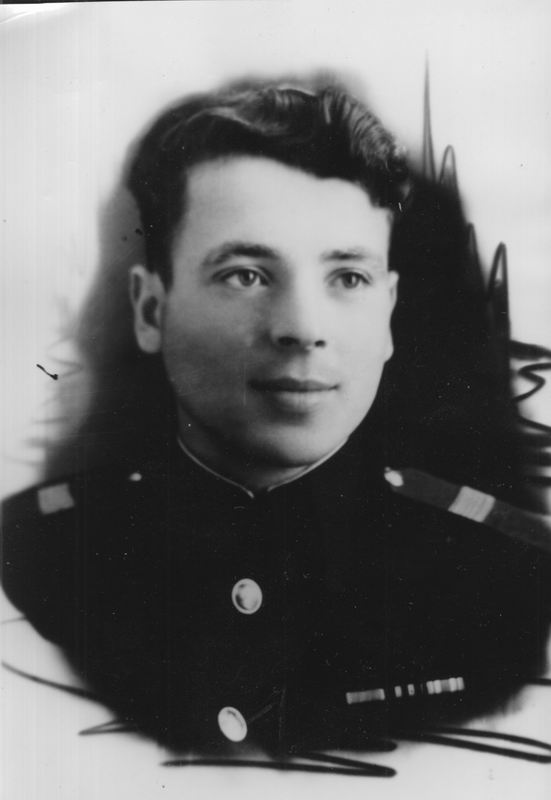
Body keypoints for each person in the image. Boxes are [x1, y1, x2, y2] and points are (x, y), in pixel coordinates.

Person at [2, 77, 550, 759]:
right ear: (151, 310)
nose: (302, 328)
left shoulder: (515, 573)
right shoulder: (30, 555)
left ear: (387, 313)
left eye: (347, 277)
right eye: (246, 274)